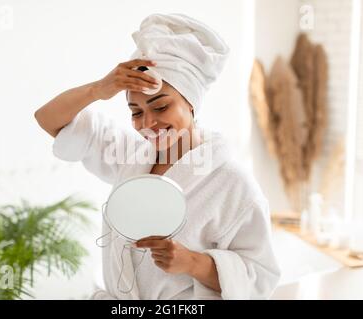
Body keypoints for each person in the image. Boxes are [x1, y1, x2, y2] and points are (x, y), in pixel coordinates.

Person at [34, 13, 280, 300]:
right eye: (136, 112)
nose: (147, 123)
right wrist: (100, 89)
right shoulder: (130, 155)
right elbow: (48, 119)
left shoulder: (232, 182)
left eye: (161, 107)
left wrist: (192, 262)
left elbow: (260, 277)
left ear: (191, 103)